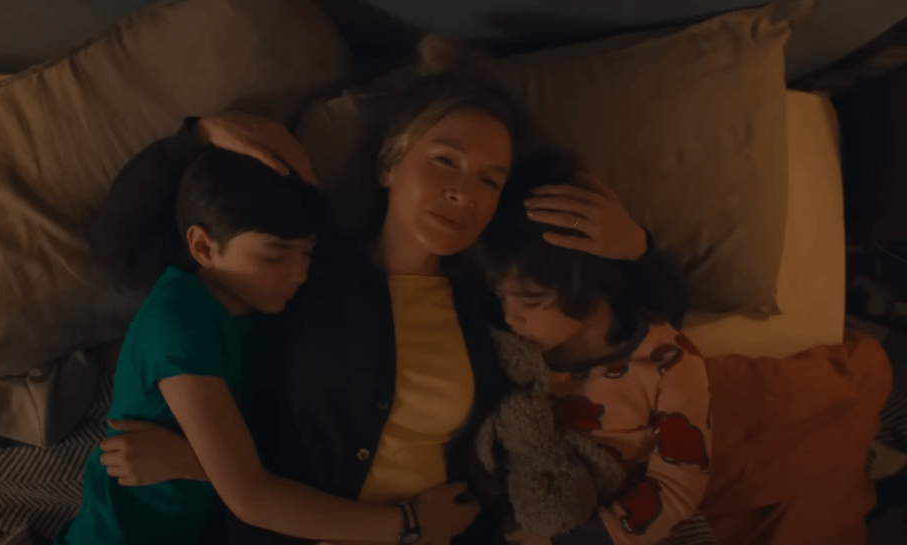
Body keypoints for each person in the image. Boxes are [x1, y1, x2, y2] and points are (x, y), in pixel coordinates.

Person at [89, 37, 658, 545]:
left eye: (490, 180)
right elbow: (120, 252)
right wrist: (195, 136)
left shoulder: (493, 298)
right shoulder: (299, 267)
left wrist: (635, 246)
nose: (464, 193)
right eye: (445, 160)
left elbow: (628, 328)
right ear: (390, 163)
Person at [56, 148, 481, 545]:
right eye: (275, 257)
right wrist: (410, 523)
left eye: (306, 253)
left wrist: (194, 462)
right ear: (203, 247)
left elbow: (254, 460)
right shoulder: (180, 321)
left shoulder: (261, 310)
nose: (299, 274)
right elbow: (251, 495)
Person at [471, 151, 715, 545]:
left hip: (650, 527)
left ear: (593, 287)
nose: (511, 317)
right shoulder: (512, 355)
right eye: (502, 297)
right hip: (539, 516)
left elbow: (677, 490)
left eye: (531, 301)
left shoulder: (670, 363)